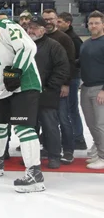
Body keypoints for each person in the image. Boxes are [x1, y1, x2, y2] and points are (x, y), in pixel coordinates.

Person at [0, 3, 45, 193]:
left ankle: (35, 173)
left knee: (23, 127)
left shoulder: (5, 27)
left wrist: (16, 71)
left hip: (24, 85)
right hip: (0, 91)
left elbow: (28, 47)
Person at [26, 16, 69, 169]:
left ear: (43, 30)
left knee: (50, 126)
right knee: (30, 128)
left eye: (34, 27)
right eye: (29, 27)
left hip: (47, 94)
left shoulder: (54, 46)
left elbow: (62, 68)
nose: (31, 30)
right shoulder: (24, 45)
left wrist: (49, 86)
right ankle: (32, 157)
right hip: (28, 94)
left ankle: (54, 156)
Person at [42, 9, 76, 165]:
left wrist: (65, 84)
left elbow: (69, 63)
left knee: (63, 118)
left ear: (57, 20)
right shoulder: (41, 37)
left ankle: (68, 150)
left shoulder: (64, 38)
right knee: (47, 121)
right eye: (45, 19)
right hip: (45, 88)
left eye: (51, 19)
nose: (48, 22)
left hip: (59, 86)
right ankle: (48, 147)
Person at [57, 12, 87, 150]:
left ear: (68, 23)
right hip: (69, 77)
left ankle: (78, 137)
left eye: (60, 22)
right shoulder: (65, 37)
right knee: (68, 108)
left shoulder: (73, 39)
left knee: (71, 108)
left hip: (72, 78)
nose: (57, 24)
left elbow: (78, 60)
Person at [80, 11, 104, 169]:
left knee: (100, 124)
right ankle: (98, 152)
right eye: (91, 23)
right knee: (91, 124)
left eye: (96, 23)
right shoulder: (86, 43)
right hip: (85, 87)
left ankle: (103, 156)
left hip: (99, 89)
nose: (93, 26)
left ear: (103, 24)